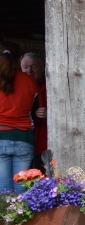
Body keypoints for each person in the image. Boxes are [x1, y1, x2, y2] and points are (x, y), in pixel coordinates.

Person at [0, 48, 38, 193]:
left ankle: (5, 216)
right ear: (19, 58)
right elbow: (36, 111)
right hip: (24, 137)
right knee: (21, 188)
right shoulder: (30, 81)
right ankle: (21, 215)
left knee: (3, 189)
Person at [20, 53, 47, 170]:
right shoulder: (15, 87)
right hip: (20, 138)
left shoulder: (51, 86)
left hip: (43, 140)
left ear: (42, 68)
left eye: (34, 67)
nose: (29, 71)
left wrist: (50, 113)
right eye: (25, 67)